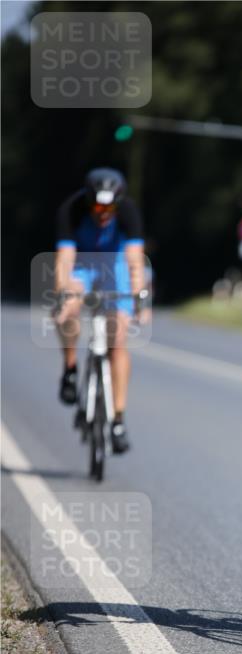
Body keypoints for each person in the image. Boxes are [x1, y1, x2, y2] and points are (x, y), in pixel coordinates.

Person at [52, 168, 150, 453]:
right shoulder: (70, 210)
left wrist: (139, 298)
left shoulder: (129, 211)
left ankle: (118, 419)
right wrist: (63, 294)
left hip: (115, 266)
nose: (103, 213)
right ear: (88, 201)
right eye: (97, 206)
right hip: (82, 263)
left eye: (109, 208)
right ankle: (70, 368)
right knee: (66, 309)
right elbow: (64, 261)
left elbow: (134, 260)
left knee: (117, 342)